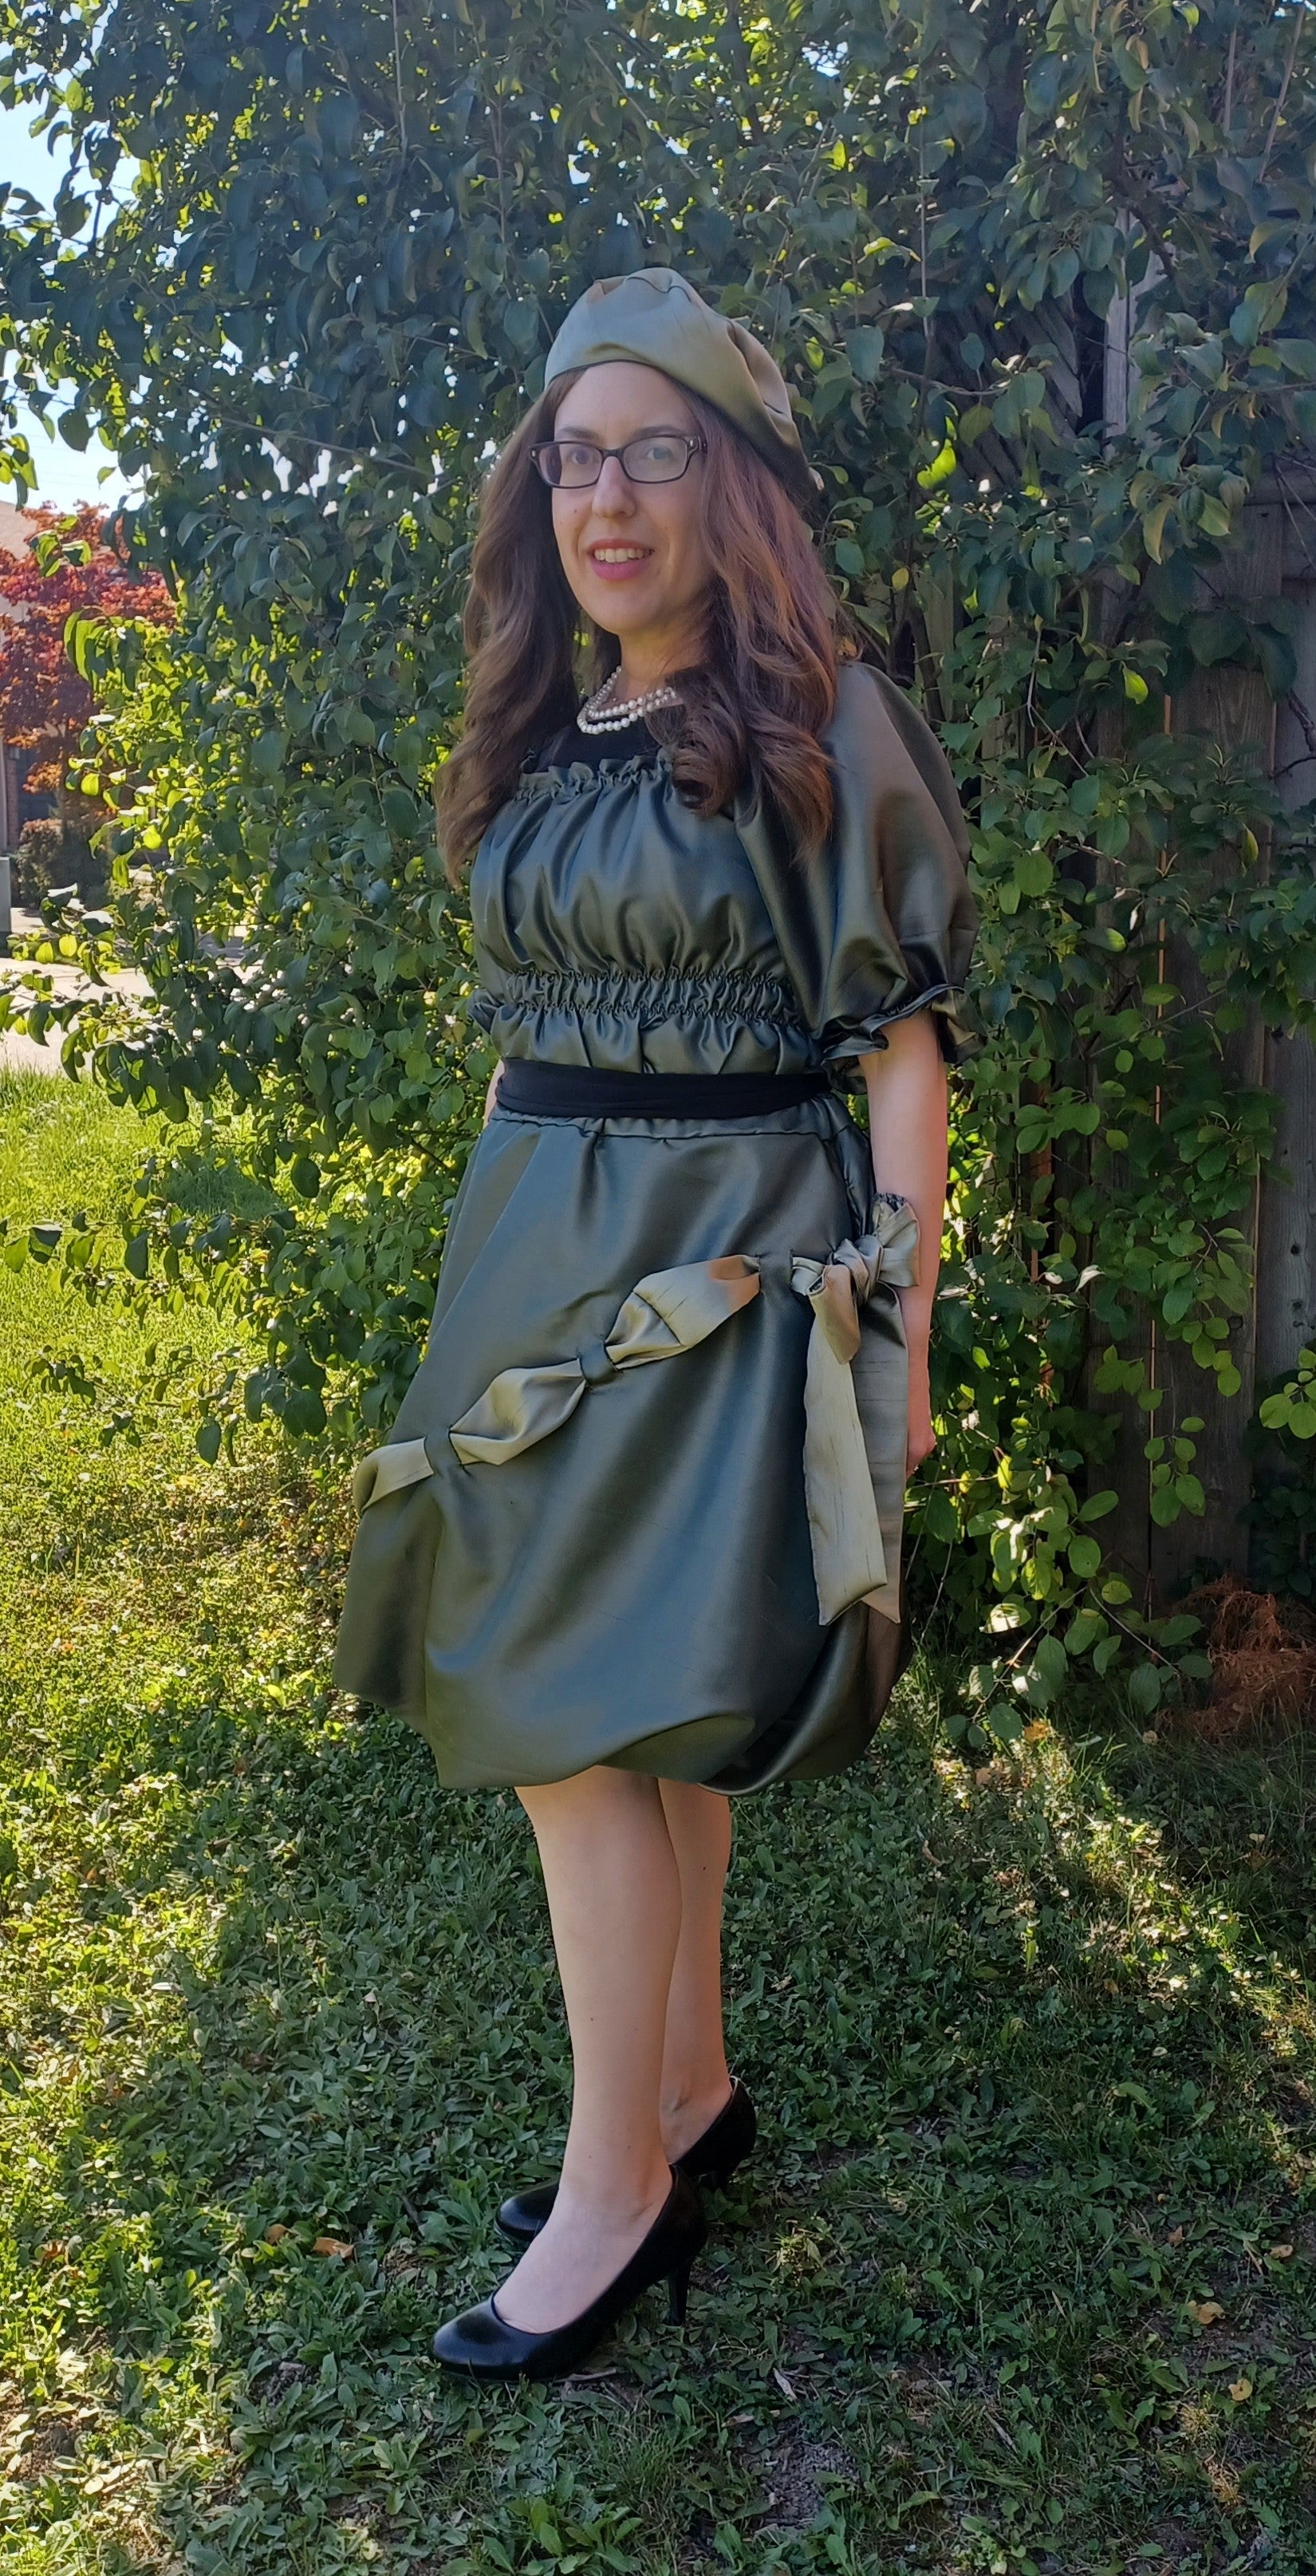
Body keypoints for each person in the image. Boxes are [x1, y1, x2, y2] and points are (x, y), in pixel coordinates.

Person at [333, 268, 977, 2381]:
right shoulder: (543, 723)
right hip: (535, 1234)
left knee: (585, 1725)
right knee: (643, 1708)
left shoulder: (820, 722)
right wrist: (479, 1249)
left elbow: (896, 1056)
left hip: (730, 1255)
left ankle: (613, 2193)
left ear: (733, 485)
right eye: (568, 457)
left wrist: (894, 1340)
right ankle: (684, 2099)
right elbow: (528, 1035)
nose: (602, 497)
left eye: (651, 451)